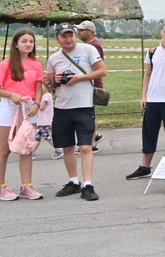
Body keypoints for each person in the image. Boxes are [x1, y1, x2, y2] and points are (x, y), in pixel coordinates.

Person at [45, 23, 107, 201]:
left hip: (84, 105)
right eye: (64, 36)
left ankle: (88, 185)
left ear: (75, 35)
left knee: (86, 146)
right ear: (57, 39)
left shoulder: (87, 50)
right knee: (68, 147)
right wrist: (55, 80)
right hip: (63, 107)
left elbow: (102, 71)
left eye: (71, 35)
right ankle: (73, 182)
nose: (68, 39)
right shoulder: (53, 59)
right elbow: (48, 86)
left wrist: (80, 77)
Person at [126, 21, 165, 180]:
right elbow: (147, 75)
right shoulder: (152, 51)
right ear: (161, 32)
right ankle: (145, 167)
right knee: (149, 133)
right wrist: (144, 96)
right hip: (153, 99)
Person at [0, 28, 45, 200]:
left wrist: (37, 104)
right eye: (24, 41)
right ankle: (1, 186)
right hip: (9, 107)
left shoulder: (36, 64)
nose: (28, 44)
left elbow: (38, 88)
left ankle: (26, 186)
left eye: (31, 41)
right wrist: (11, 95)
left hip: (29, 108)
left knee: (26, 148)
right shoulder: (6, 64)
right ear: (16, 44)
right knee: (4, 149)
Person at [76, 21, 105, 152]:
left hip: (92, 84)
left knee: (88, 115)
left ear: (90, 31)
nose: (78, 32)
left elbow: (98, 67)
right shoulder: (88, 45)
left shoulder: (94, 46)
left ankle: (92, 143)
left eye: (82, 30)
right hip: (88, 83)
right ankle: (94, 137)